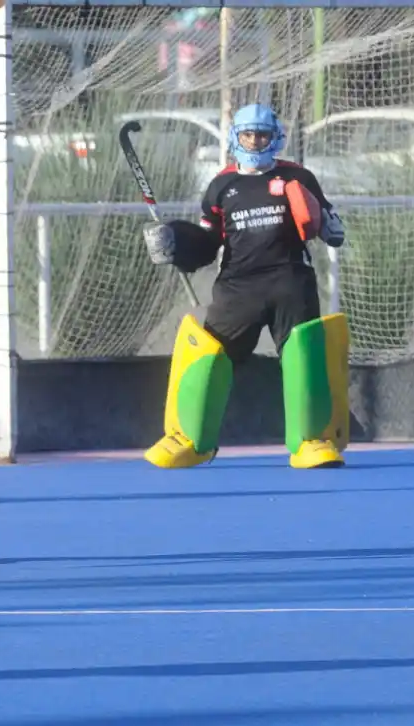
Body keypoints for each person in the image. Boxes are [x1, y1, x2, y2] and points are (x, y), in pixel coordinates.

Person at [141, 103, 349, 470]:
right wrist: (175, 241)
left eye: (262, 135)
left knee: (304, 358)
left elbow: (330, 227)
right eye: (248, 135)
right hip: (238, 288)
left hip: (290, 281)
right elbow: (208, 244)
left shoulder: (298, 177)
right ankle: (191, 439)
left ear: (276, 137)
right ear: (236, 137)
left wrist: (329, 227)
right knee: (209, 357)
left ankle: (311, 441)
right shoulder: (222, 185)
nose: (255, 142)